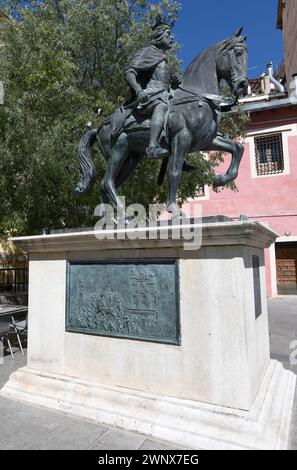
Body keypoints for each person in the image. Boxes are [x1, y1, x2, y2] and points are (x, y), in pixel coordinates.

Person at [111, 17, 181, 159]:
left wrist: (175, 81)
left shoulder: (164, 59)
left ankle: (179, 152)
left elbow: (166, 80)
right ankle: (152, 147)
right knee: (161, 107)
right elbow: (130, 72)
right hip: (150, 96)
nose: (171, 38)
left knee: (182, 114)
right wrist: (138, 90)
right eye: (168, 34)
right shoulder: (147, 52)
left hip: (165, 94)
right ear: (159, 35)